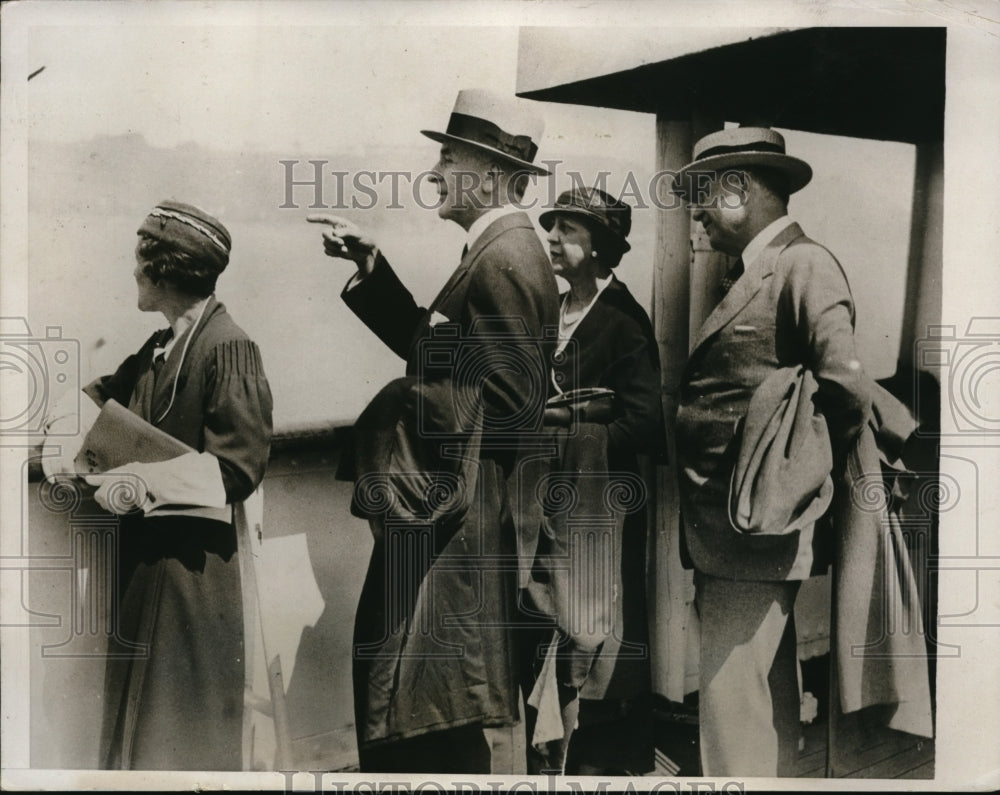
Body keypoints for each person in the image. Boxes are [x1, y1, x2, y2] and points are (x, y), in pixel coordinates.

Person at [308, 88, 560, 774]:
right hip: (455, 521)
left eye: (448, 158)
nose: (434, 173)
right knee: (428, 704)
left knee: (425, 714)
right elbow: (451, 357)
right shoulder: (500, 251)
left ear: (490, 172)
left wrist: (400, 404)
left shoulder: (506, 256)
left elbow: (514, 402)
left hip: (454, 529)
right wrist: (373, 271)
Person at [670, 127, 875, 777]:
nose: (695, 212)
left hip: (753, 533)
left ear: (741, 188)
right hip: (737, 535)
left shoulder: (802, 263)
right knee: (767, 705)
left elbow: (845, 386)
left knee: (731, 714)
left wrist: (795, 480)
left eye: (704, 193)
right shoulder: (761, 267)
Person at [42, 200, 273, 770]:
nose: (134, 273)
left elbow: (238, 467)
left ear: (165, 271)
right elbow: (101, 397)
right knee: (136, 738)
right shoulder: (157, 350)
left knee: (178, 737)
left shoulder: (229, 348)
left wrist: (140, 479)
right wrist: (60, 430)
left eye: (140, 262)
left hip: (193, 578)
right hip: (146, 569)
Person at [523, 187, 664, 774]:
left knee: (595, 630)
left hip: (601, 505)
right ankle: (549, 753)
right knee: (546, 620)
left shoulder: (625, 321)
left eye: (569, 230)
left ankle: (595, 761)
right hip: (547, 501)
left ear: (601, 245)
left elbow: (646, 423)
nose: (552, 238)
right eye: (551, 226)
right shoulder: (550, 309)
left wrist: (571, 427)